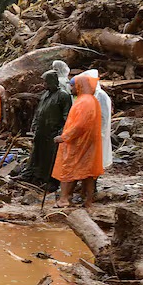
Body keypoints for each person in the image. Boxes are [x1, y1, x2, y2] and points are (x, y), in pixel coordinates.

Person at [53, 72, 106, 208]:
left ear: (79, 86)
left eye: (72, 86)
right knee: (88, 171)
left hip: (78, 142)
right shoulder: (90, 100)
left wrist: (64, 137)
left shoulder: (84, 102)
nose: (71, 89)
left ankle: (64, 198)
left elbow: (80, 125)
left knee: (67, 169)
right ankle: (88, 200)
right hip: (87, 142)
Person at [21, 70, 70, 190]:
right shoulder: (45, 95)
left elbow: (67, 116)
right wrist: (34, 124)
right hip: (41, 131)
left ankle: (51, 181)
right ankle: (33, 175)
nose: (44, 84)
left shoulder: (63, 95)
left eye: (46, 82)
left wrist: (62, 132)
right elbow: (39, 111)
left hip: (53, 132)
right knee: (37, 154)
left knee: (51, 158)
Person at [80, 69, 114, 170]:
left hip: (97, 132)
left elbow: (103, 117)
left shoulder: (101, 96)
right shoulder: (92, 95)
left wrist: (97, 131)